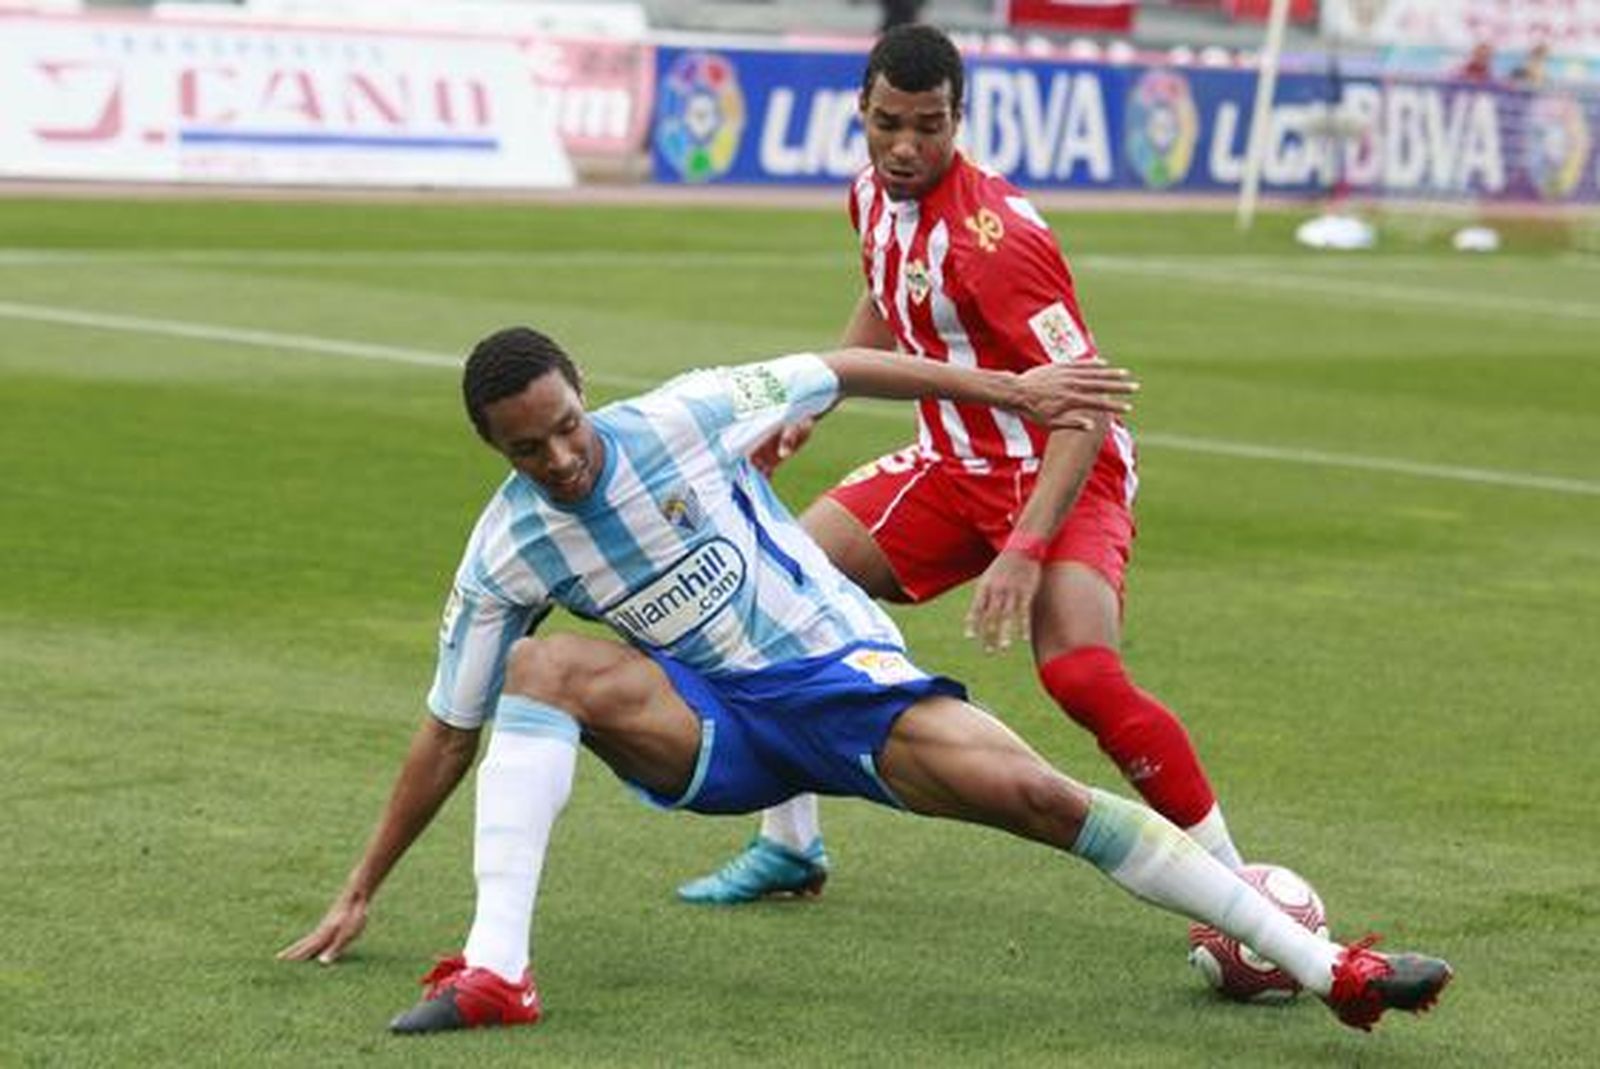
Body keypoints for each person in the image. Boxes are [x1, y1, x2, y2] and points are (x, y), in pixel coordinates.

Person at [279, 326, 1452, 1036]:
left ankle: (1327, 967)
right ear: (497, 451)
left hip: (848, 688)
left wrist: (1017, 394)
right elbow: (449, 730)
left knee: (1048, 803)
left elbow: (836, 368)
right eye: (529, 449)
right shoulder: (509, 548)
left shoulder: (685, 415)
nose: (562, 458)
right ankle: (497, 971)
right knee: (538, 665)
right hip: (712, 732)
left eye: (566, 427)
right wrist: (363, 884)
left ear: (585, 391)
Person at [679, 22, 1245, 906]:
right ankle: (790, 847)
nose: (906, 147)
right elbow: (887, 291)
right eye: (889, 124)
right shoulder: (869, 195)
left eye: (930, 126)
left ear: (960, 119)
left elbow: (1085, 405)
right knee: (774, 591)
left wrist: (1024, 546)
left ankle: (1244, 889)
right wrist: (811, 406)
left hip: (1063, 466)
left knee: (1081, 674)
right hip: (948, 463)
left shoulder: (1001, 241)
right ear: (861, 113)